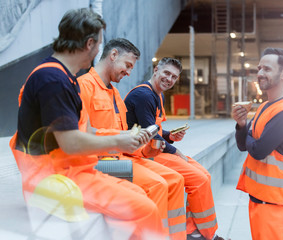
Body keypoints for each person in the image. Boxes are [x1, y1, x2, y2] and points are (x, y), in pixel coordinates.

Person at [10, 8, 166, 239]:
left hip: (74, 171)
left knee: (141, 195)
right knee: (145, 209)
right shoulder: (53, 80)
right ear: (90, 44)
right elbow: (70, 143)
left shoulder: (64, 78)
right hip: (55, 180)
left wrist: (124, 140)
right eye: (99, 44)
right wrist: (119, 141)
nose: (98, 51)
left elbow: (86, 131)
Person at [77, 38, 186, 239]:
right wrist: (122, 138)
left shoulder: (116, 94)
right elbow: (81, 134)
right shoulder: (84, 87)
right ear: (113, 55)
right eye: (127, 65)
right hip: (100, 162)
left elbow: (127, 137)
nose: (129, 72)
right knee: (157, 185)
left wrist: (147, 150)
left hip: (124, 157)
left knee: (176, 180)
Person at [125, 57, 224, 240]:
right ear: (156, 70)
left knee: (205, 176)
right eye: (166, 73)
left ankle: (194, 231)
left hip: (154, 149)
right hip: (142, 153)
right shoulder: (144, 95)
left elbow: (155, 130)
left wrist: (169, 136)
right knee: (199, 180)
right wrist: (175, 150)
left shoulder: (157, 95)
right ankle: (206, 235)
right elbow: (150, 136)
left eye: (174, 77)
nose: (169, 79)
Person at [232, 48, 283, 240]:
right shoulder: (266, 106)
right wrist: (241, 125)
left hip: (275, 203)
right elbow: (243, 145)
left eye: (267, 69)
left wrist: (248, 134)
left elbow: (258, 150)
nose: (260, 73)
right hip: (261, 198)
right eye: (259, 68)